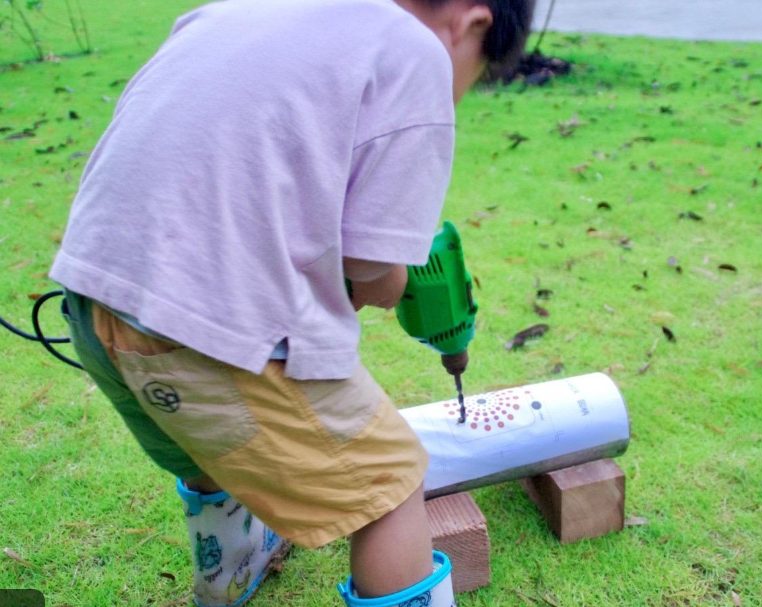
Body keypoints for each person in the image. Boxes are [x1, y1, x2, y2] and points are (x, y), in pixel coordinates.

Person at [50, 0, 536, 605]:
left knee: (214, 449)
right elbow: (372, 271)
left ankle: (230, 576)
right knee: (389, 486)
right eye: (478, 73)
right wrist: (394, 282)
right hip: (207, 327)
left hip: (92, 293)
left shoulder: (238, 10)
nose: (461, 90)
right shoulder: (412, 50)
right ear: (474, 21)